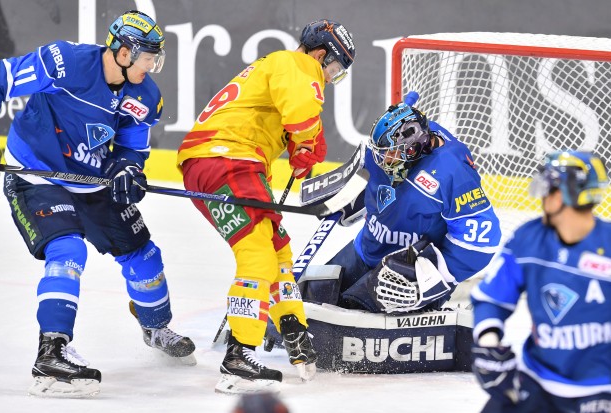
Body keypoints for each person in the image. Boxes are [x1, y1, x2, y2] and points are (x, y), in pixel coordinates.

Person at [0, 10, 195, 397]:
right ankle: (51, 352)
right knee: (67, 250)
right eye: (148, 57)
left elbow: (133, 146)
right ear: (122, 52)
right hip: (37, 175)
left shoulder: (145, 95)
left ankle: (155, 327)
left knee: (144, 255)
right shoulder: (65, 62)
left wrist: (128, 170)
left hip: (91, 181)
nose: (153, 65)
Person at [177, 19, 355, 393]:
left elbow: (306, 130)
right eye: (334, 68)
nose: (330, 77)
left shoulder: (276, 69)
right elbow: (303, 116)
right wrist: (304, 144)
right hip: (228, 158)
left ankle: (292, 328)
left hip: (217, 162)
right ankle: (239, 354)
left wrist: (307, 146)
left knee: (277, 248)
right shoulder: (298, 64)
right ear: (320, 54)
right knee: (257, 254)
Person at [320, 101, 502, 314]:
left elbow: (483, 240)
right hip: (366, 247)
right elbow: (378, 174)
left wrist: (434, 277)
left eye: (391, 153)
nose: (385, 159)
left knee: (342, 324)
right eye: (383, 153)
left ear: (414, 148)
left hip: (403, 273)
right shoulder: (401, 146)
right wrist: (356, 197)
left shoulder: (452, 172)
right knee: (311, 295)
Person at [470, 150, 611, 413]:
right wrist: (488, 341)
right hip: (536, 383)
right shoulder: (528, 239)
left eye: (551, 188)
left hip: (600, 391)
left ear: (570, 192)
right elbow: (491, 298)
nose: (544, 196)